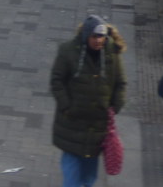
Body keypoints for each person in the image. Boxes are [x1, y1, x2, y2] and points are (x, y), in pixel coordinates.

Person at [50, 15, 127, 187]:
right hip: (72, 123)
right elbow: (57, 81)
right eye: (94, 36)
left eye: (101, 37)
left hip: (97, 126)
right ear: (86, 36)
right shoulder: (68, 52)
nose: (98, 41)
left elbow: (120, 83)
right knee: (72, 176)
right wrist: (66, 106)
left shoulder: (111, 54)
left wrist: (115, 106)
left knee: (88, 177)